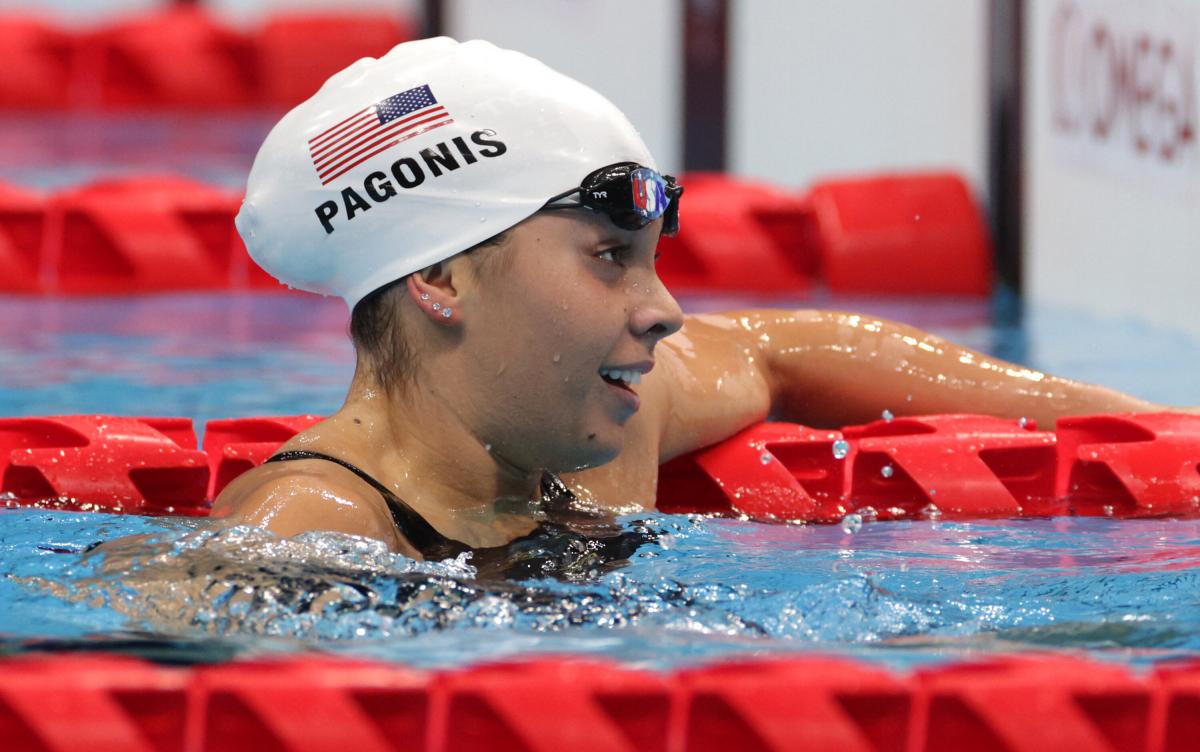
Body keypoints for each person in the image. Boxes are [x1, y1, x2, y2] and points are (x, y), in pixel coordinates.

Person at [212, 38, 1172, 571]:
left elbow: (779, 349)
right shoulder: (308, 533)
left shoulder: (598, 431)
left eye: (651, 261)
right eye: (609, 259)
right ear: (441, 281)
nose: (663, 310)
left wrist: (1157, 434)